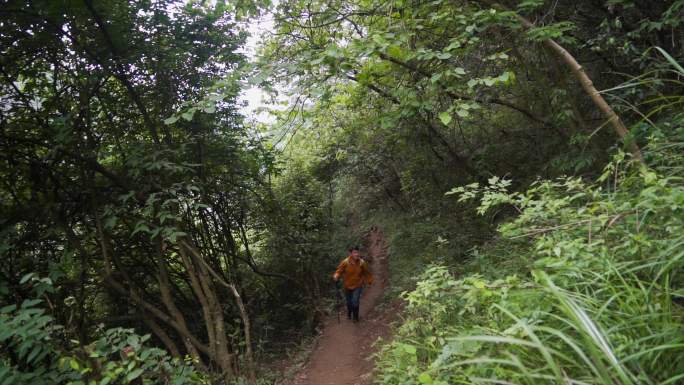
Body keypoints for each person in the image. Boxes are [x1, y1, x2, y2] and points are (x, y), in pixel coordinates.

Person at [332, 246, 373, 322]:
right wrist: (336, 275)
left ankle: (355, 317)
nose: (357, 254)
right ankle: (349, 313)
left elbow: (366, 272)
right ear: (350, 253)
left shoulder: (361, 262)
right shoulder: (345, 262)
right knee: (349, 302)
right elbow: (339, 270)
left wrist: (370, 280)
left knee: (355, 301)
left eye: (357, 252)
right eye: (354, 252)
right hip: (347, 285)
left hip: (358, 285)